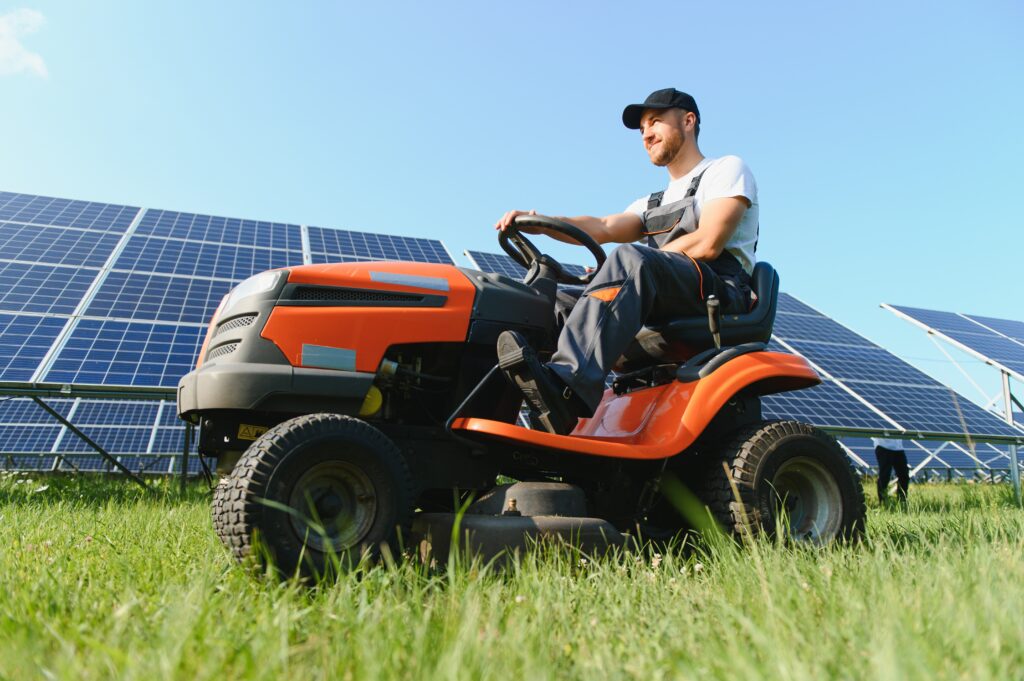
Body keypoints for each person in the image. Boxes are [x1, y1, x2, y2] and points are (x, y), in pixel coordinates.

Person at [494, 88, 759, 435]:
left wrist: (626, 269)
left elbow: (709, 243)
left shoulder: (726, 169)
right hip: (658, 292)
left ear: (689, 121)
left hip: (717, 290)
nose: (646, 134)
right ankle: (516, 406)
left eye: (655, 122)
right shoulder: (652, 201)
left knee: (629, 260)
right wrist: (543, 223)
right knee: (556, 301)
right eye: (642, 129)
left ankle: (567, 386)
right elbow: (602, 227)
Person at [872, 437, 910, 505]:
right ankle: (883, 502)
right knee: (885, 476)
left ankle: (902, 501)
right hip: (883, 446)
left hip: (898, 448)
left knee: (904, 475)